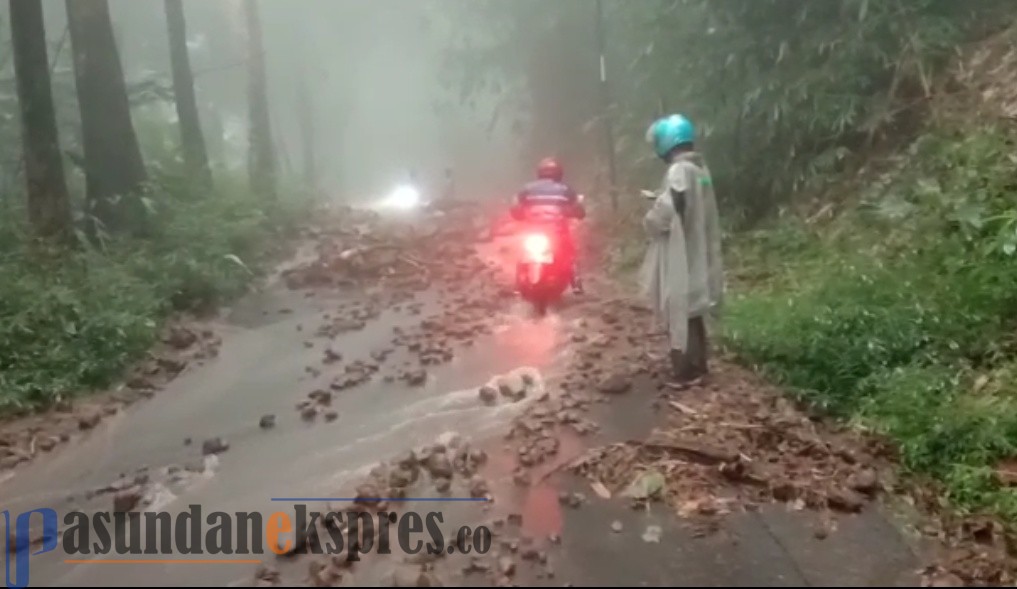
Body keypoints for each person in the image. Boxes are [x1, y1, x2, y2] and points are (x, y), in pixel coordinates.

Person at [640, 114, 724, 383]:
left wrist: (650, 221)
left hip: (681, 250)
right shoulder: (700, 170)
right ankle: (700, 365)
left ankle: (685, 370)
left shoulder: (679, 170)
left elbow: (671, 205)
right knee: (694, 307)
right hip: (697, 245)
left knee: (679, 307)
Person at [511, 157, 586, 294]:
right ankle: (576, 284)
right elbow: (579, 210)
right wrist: (575, 213)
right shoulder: (566, 189)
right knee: (569, 254)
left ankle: (517, 285)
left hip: (532, 231)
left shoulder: (527, 188)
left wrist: (520, 215)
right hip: (557, 231)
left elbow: (515, 208)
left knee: (521, 253)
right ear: (559, 173)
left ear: (539, 173)